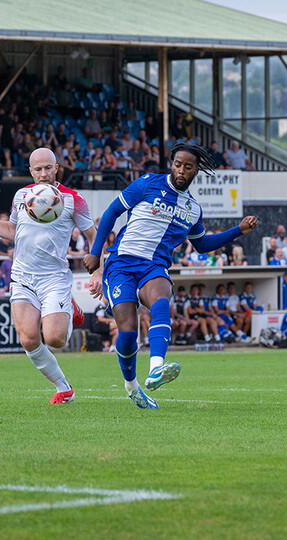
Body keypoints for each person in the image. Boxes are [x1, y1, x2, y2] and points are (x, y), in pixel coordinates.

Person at [83, 143, 259, 409]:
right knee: (128, 332)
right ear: (172, 163)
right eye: (177, 164)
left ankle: (156, 368)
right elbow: (111, 213)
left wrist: (238, 230)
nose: (181, 170)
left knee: (162, 302)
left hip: (154, 266)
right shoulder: (146, 184)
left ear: (196, 170)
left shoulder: (192, 209)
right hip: (122, 262)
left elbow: (201, 245)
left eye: (188, 167)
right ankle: (132, 387)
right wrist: (96, 253)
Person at [0, 147, 97, 405]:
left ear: (57, 167)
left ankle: (68, 307)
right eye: (38, 169)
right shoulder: (21, 195)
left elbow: (93, 234)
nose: (44, 173)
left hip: (54, 279)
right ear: (30, 171)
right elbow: (12, 230)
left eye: (48, 167)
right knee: (28, 339)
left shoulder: (73, 199)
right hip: (23, 276)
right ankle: (63, 388)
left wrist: (98, 268)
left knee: (56, 339)